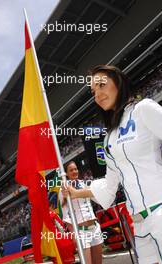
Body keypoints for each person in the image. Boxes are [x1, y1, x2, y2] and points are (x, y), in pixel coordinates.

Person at [63, 65, 162, 264]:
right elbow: (109, 186)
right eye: (93, 91)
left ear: (118, 83)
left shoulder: (144, 108)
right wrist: (74, 194)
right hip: (140, 226)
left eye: (101, 85)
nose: (97, 94)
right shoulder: (109, 137)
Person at [61, 161, 103, 264]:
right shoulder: (63, 189)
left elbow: (98, 199)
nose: (74, 171)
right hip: (81, 231)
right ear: (66, 173)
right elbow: (66, 215)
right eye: (71, 170)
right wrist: (74, 234)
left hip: (95, 228)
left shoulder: (84, 183)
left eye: (75, 169)